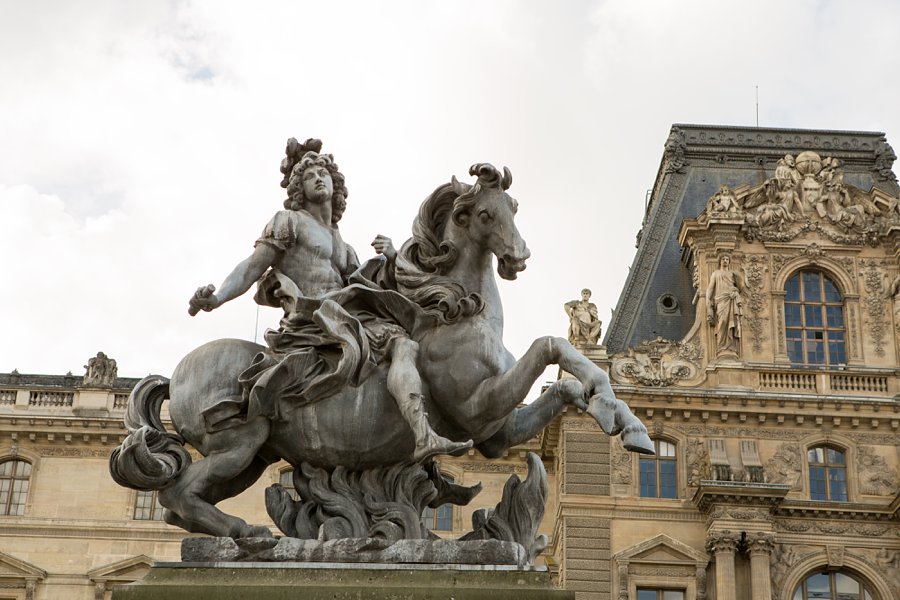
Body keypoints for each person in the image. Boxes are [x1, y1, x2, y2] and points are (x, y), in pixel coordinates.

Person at [189, 140, 469, 461]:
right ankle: (422, 434)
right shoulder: (288, 222)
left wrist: (392, 257)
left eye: (324, 173)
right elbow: (252, 267)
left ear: (336, 186)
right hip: (313, 319)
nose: (319, 178)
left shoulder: (343, 245)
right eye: (310, 176)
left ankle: (421, 433)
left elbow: (366, 286)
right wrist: (218, 298)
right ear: (299, 189)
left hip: (344, 315)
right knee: (400, 344)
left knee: (407, 342)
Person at [705, 254, 744, 357]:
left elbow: (741, 287)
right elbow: (710, 288)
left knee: (732, 322)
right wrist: (708, 299)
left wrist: (739, 279)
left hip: (731, 298)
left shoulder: (732, 273)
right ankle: (721, 346)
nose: (725, 261)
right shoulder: (716, 273)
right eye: (723, 259)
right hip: (721, 300)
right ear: (720, 261)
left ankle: (730, 346)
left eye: (727, 259)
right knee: (722, 321)